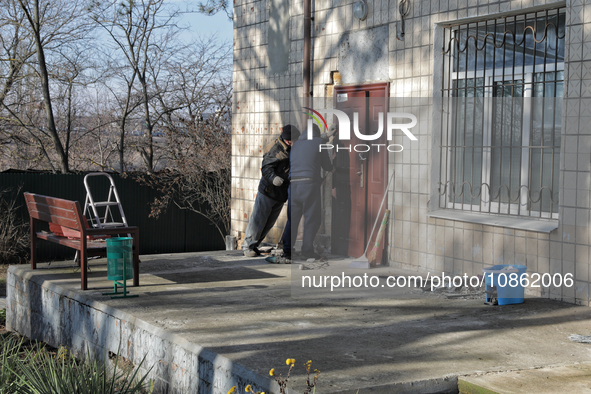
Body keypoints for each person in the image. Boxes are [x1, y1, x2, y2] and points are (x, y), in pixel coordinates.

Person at [243, 125, 300, 257]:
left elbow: (308, 141)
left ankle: (254, 246)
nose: (291, 143)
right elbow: (266, 169)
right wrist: (273, 178)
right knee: (258, 220)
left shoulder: (294, 146)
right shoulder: (274, 149)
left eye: (293, 141)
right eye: (289, 141)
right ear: (284, 139)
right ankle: (248, 247)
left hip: (281, 194)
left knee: (268, 223)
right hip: (268, 191)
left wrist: (325, 136)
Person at [282, 125, 334, 260]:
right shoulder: (320, 142)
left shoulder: (296, 144)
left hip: (293, 185)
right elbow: (327, 166)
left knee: (292, 219)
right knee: (312, 218)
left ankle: (287, 250)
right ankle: (307, 250)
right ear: (316, 133)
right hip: (309, 185)